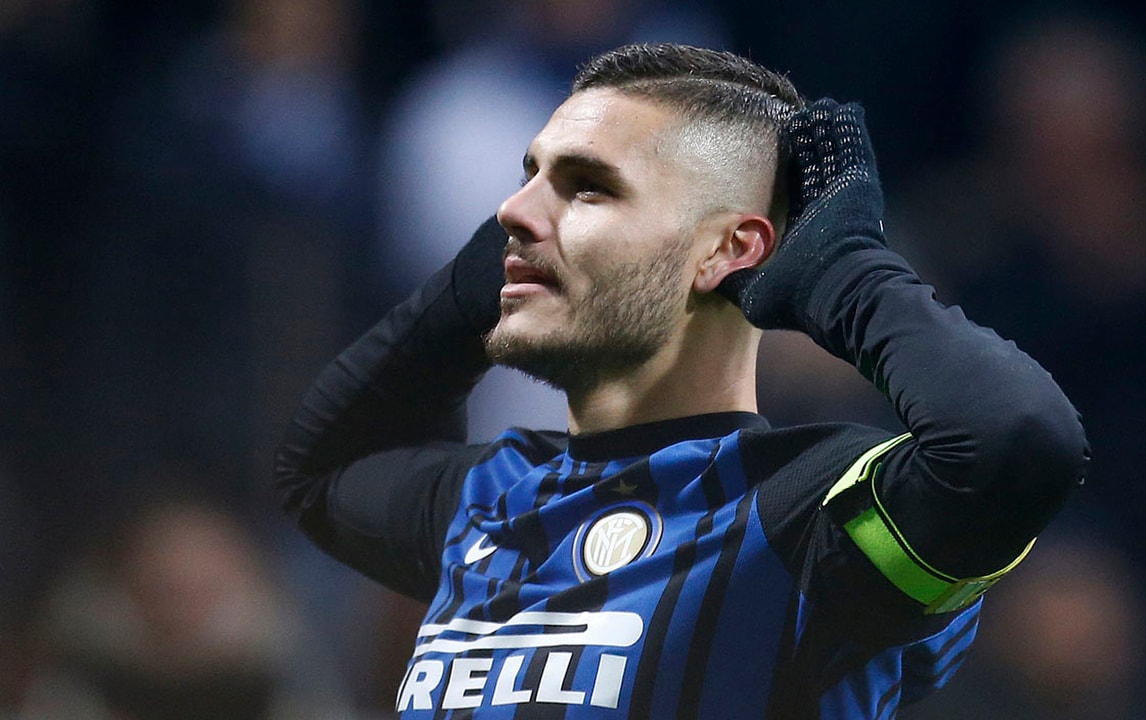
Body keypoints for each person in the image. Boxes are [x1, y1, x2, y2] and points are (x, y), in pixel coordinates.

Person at [274, 43, 1088, 718]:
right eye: (531, 175)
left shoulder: (808, 525)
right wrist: (469, 288)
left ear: (728, 250)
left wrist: (844, 270)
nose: (512, 214)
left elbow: (1013, 443)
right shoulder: (492, 498)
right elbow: (324, 471)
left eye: (588, 187)